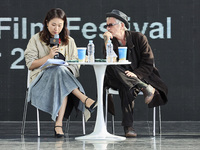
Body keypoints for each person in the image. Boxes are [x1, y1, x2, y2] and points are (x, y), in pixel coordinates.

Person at [24, 8, 96, 138]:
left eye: (60, 25)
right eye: (53, 25)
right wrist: (48, 57)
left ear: (64, 25)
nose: (56, 28)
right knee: (58, 72)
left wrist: (65, 67)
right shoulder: (36, 39)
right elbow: (30, 64)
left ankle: (59, 125)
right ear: (46, 23)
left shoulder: (70, 41)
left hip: (62, 80)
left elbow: (76, 66)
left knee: (60, 72)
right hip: (40, 82)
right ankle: (84, 98)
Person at [103, 9, 168, 137]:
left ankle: (129, 128)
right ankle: (143, 88)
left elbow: (148, 63)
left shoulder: (138, 37)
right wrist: (107, 43)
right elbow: (109, 62)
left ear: (122, 25)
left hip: (139, 76)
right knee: (111, 66)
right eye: (106, 25)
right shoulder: (109, 41)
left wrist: (136, 74)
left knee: (126, 87)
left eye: (110, 25)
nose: (107, 28)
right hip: (117, 77)